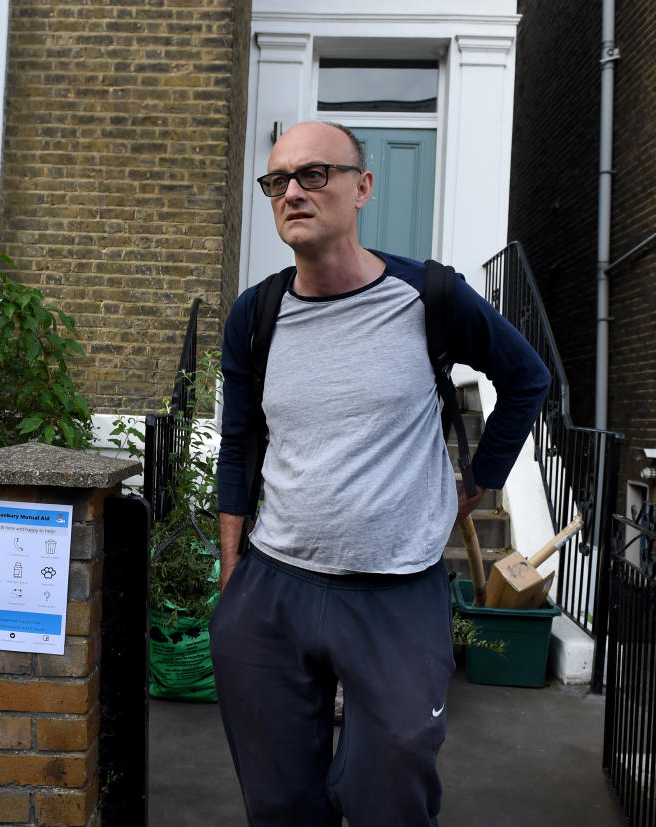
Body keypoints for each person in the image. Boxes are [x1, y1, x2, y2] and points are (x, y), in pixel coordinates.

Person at [210, 120, 550, 827]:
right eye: (278, 180)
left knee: (390, 787)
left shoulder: (430, 297)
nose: (293, 192)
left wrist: (478, 480)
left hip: (396, 592)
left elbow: (526, 377)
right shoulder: (256, 314)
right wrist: (232, 564)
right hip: (274, 586)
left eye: (314, 174)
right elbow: (239, 440)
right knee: (278, 803)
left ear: (362, 187)